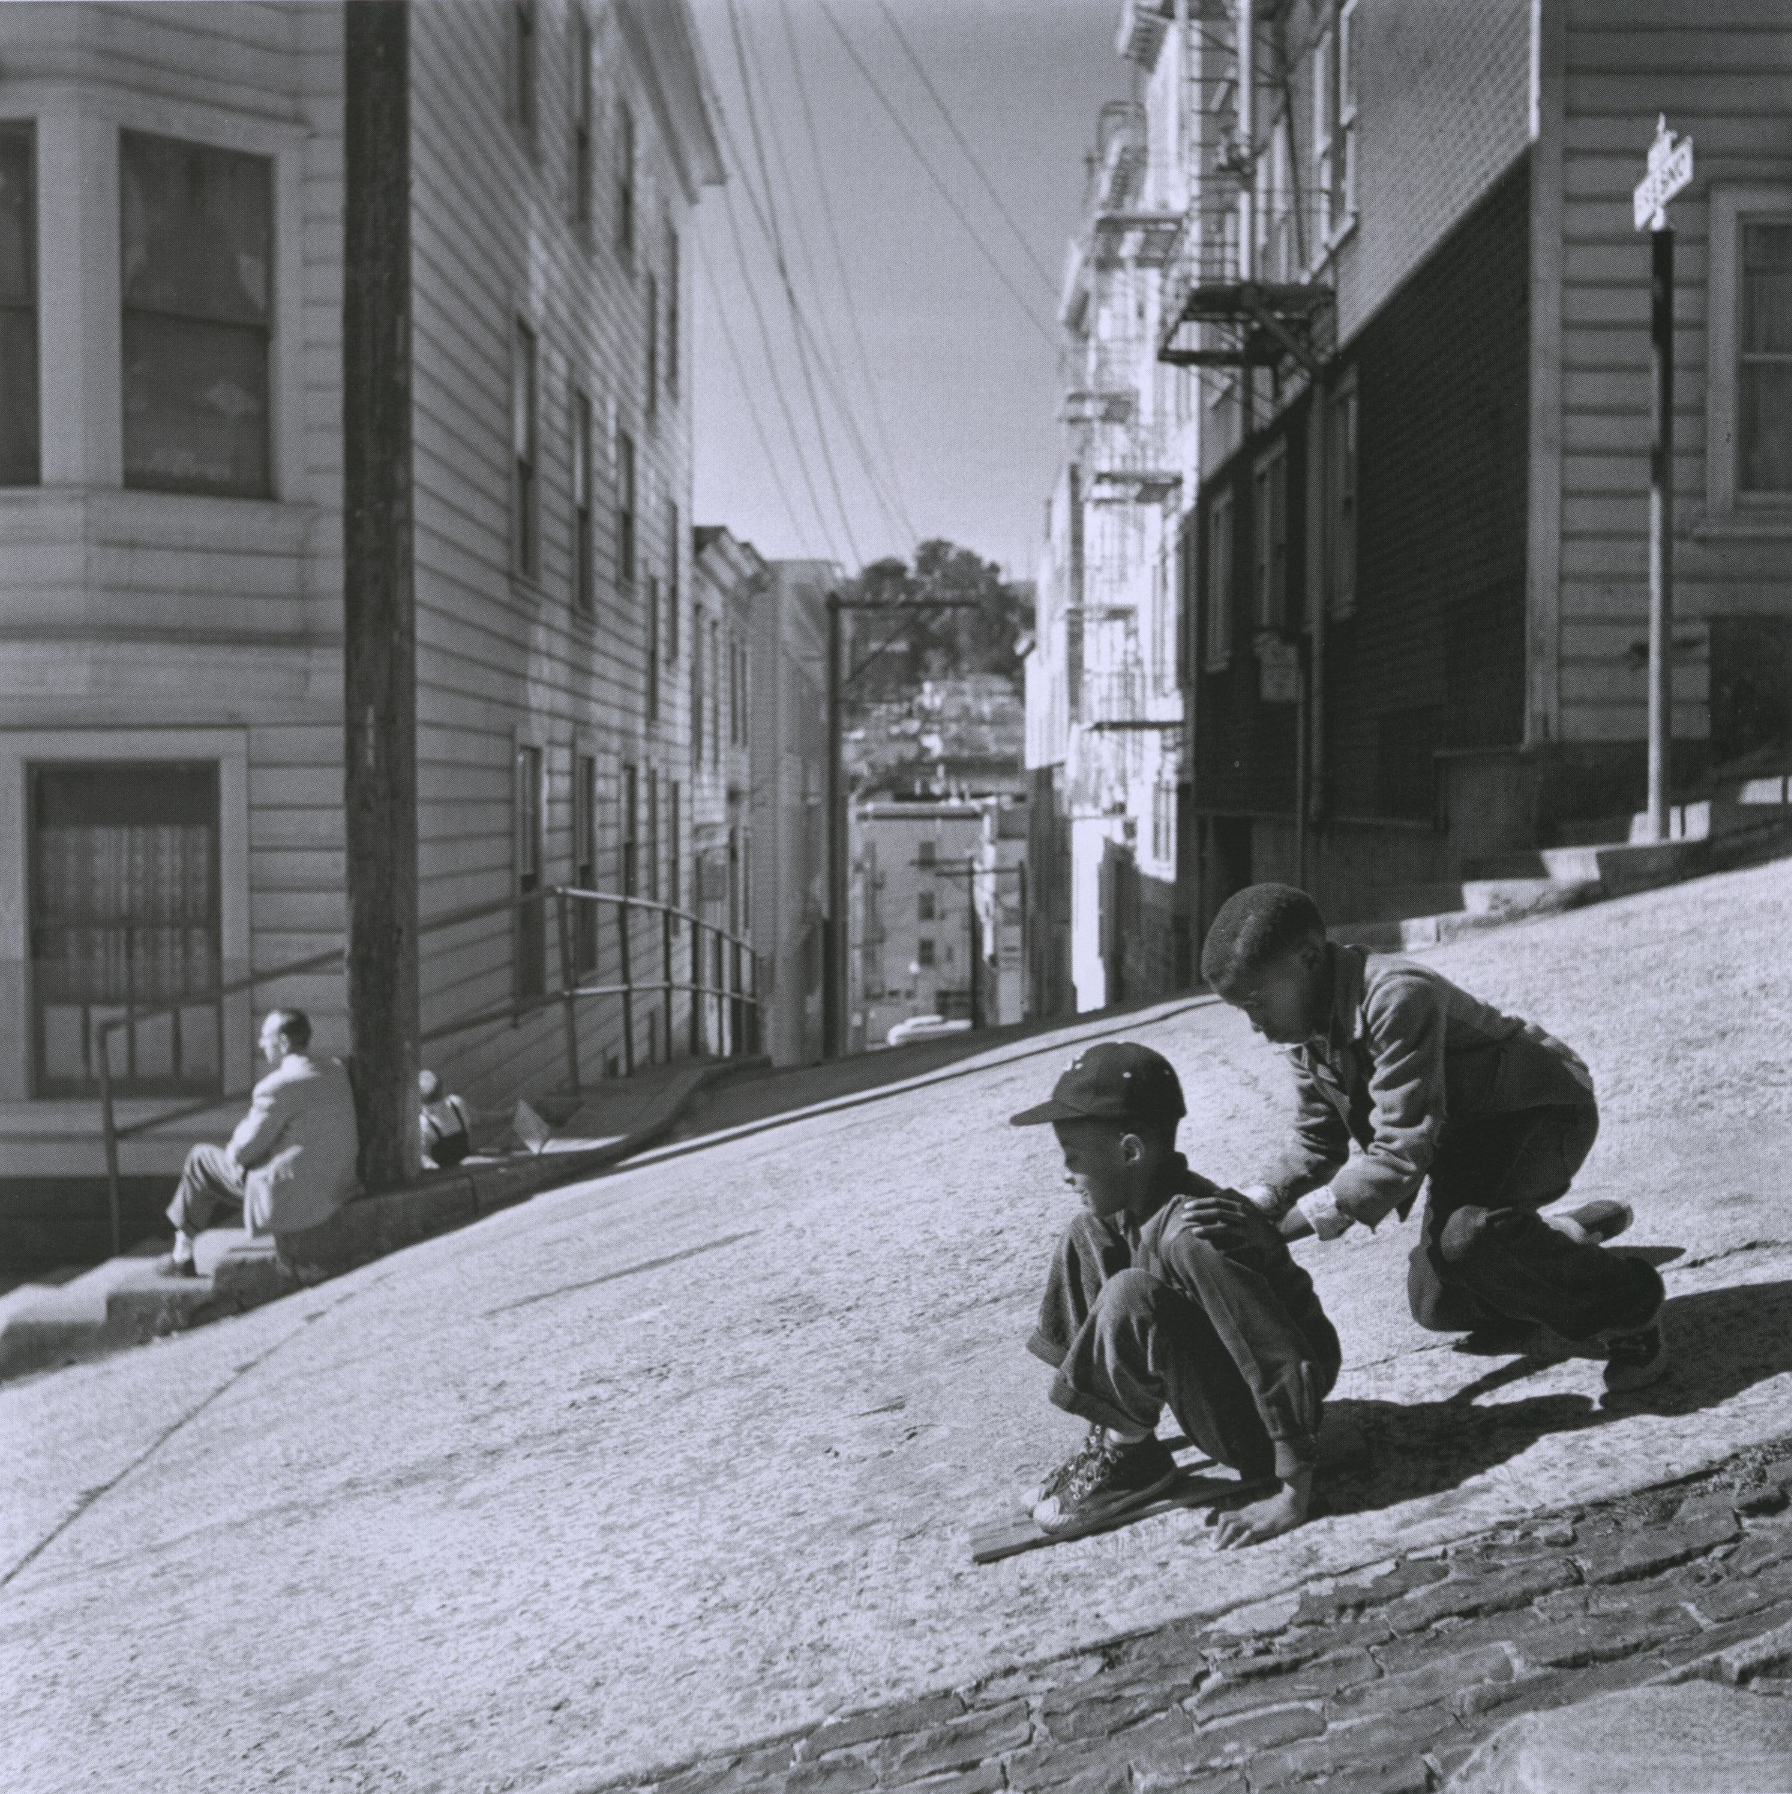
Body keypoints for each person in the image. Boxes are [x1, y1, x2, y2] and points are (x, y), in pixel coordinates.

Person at [1197, 883, 1666, 1396]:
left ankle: (1630, 1310)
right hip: (1464, 1142)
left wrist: (1280, 1231)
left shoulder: (1396, 994)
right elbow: (1316, 1145)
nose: (1254, 1025)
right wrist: (1251, 1203)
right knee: (1437, 1306)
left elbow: (1402, 1151)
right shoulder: (1308, 1027)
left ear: (1309, 959)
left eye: (1257, 1003)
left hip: (1537, 1113)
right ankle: (1552, 1241)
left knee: (1468, 1240)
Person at [1012, 1041, 1342, 1548]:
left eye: (1074, 1158)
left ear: (1129, 1152)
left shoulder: (1193, 1234)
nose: (1065, 1172)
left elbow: (1278, 1355)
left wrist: (1292, 1491)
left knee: (1131, 1293)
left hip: (1257, 1427)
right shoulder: (1134, 1204)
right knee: (1085, 1234)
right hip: (1225, 1386)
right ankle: (1122, 1440)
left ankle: (1131, 1456)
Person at [156, 1009, 360, 1276]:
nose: (261, 1044)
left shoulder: (275, 1086)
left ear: (284, 1043)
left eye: (266, 1038)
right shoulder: (334, 1069)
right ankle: (182, 1249)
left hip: (292, 1199)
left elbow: (241, 1152)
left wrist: (241, 1149)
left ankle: (181, 1254)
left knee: (200, 1159)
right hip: (337, 1187)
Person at [419, 1069, 473, 1170]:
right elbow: (423, 1157)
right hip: (452, 1176)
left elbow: (479, 1118)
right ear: (441, 1088)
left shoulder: (456, 1104)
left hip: (463, 1172)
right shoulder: (424, 1123)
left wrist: (507, 1114)